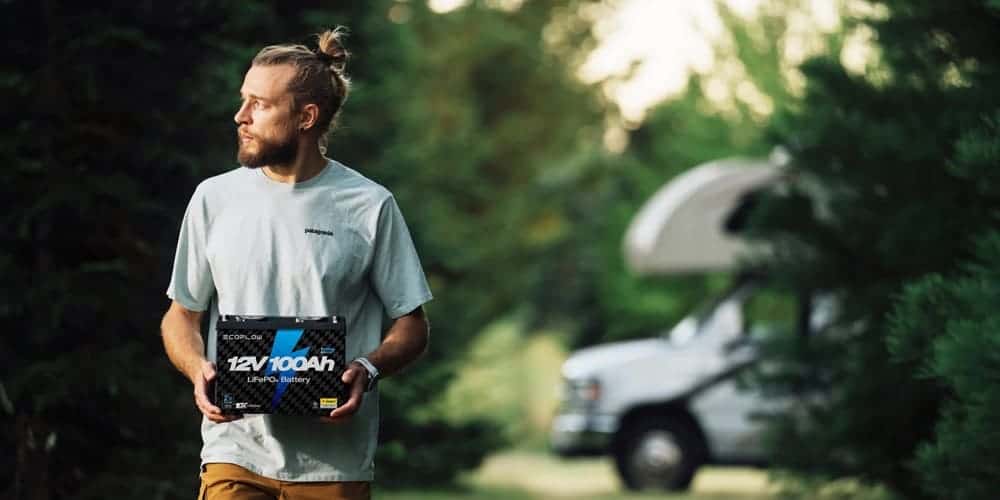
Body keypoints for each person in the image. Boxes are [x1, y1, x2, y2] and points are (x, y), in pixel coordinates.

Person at [160, 27, 432, 500]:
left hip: (335, 464)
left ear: (306, 117)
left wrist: (368, 368)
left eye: (259, 105)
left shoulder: (369, 205)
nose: (240, 116)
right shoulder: (214, 199)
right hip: (235, 454)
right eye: (243, 100)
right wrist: (197, 368)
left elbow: (412, 324)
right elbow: (182, 313)